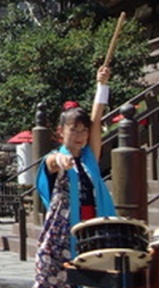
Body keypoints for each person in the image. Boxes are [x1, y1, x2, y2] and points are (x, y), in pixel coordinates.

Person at [33, 66, 116, 288]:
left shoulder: (89, 157)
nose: (80, 136)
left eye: (83, 131)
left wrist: (102, 84)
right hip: (65, 229)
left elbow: (96, 120)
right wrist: (62, 160)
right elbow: (52, 162)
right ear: (61, 132)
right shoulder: (55, 156)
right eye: (74, 130)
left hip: (93, 225)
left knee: (95, 280)